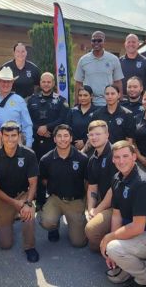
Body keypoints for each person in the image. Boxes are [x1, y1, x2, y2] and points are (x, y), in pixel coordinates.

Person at [100, 141, 146, 287]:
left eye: (125, 156)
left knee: (113, 247)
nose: (121, 161)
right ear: (112, 159)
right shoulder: (117, 178)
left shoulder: (141, 183)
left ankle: (145, 279)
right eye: (117, 157)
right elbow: (116, 214)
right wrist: (110, 244)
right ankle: (129, 268)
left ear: (134, 157)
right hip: (133, 231)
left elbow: (138, 227)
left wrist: (109, 239)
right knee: (111, 248)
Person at [0, 121, 39, 262]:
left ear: (19, 136)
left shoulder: (29, 154)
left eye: (14, 135)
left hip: (23, 194)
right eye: (7, 135)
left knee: (28, 215)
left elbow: (33, 183)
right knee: (5, 244)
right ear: (1, 137)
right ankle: (6, 219)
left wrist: (28, 202)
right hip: (3, 197)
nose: (10, 139)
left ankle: (30, 247)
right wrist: (14, 203)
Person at [39, 125, 89, 247]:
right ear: (54, 139)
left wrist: (87, 205)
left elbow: (87, 182)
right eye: (59, 136)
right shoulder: (46, 159)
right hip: (55, 199)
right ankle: (54, 227)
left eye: (66, 136)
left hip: (75, 201)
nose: (63, 139)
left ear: (71, 138)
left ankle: (76, 222)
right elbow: (44, 181)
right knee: (47, 221)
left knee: (79, 243)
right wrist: (42, 203)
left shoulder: (82, 159)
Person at [28, 72, 70, 208]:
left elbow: (63, 119)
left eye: (49, 82)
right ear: (40, 83)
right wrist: (39, 129)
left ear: (53, 84)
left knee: (55, 171)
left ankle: (56, 200)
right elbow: (27, 120)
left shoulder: (61, 101)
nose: (46, 84)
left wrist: (47, 128)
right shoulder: (32, 100)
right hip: (36, 142)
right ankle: (40, 201)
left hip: (54, 142)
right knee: (39, 172)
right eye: (43, 82)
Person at [84, 120, 117, 252]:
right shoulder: (93, 159)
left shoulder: (115, 154)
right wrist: (90, 210)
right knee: (91, 244)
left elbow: (113, 189)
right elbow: (92, 187)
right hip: (104, 203)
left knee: (91, 231)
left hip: (118, 206)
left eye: (98, 134)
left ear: (107, 135)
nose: (94, 137)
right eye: (91, 135)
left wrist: (98, 210)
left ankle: (113, 251)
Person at [0, 67, 33, 147]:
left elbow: (27, 124)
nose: (6, 84)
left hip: (15, 143)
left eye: (8, 82)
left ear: (12, 82)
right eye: (3, 81)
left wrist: (28, 145)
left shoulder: (19, 100)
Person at [74, 30, 124, 107]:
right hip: (88, 103)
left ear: (104, 41)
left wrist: (120, 101)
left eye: (99, 40)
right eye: (93, 40)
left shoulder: (113, 59)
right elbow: (78, 83)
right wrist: (76, 103)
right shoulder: (83, 60)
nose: (96, 43)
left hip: (108, 103)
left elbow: (118, 82)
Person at [67, 85, 99, 151]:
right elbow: (67, 128)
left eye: (85, 95)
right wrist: (74, 142)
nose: (82, 98)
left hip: (92, 147)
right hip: (73, 147)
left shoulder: (97, 111)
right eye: (80, 95)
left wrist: (84, 141)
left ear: (91, 96)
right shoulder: (72, 111)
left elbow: (98, 130)